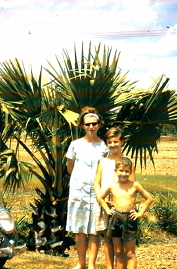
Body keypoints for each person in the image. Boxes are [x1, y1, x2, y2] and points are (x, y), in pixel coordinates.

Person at [66, 106, 109, 269]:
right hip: (78, 192)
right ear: (82, 125)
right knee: (80, 230)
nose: (91, 127)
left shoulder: (104, 147)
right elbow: (70, 167)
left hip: (97, 193)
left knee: (94, 230)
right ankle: (81, 263)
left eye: (94, 124)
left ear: (99, 124)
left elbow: (107, 168)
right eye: (87, 124)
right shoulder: (75, 145)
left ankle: (91, 265)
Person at [98, 156, 153, 269]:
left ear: (130, 171)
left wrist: (140, 213)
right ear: (116, 171)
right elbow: (100, 198)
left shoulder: (135, 185)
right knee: (118, 252)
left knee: (129, 253)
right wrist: (107, 209)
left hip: (129, 219)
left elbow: (149, 199)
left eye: (126, 171)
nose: (123, 174)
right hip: (115, 218)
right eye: (121, 171)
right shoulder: (112, 186)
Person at [94, 127, 135, 269]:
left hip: (121, 207)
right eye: (109, 142)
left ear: (122, 142)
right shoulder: (103, 162)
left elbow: (132, 186)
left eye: (116, 141)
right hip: (106, 206)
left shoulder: (128, 161)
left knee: (122, 243)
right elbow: (96, 182)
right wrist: (101, 199)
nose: (113, 145)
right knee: (108, 239)